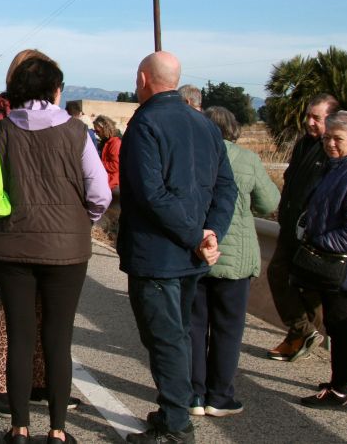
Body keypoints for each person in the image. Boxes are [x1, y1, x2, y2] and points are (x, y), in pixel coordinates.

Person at [0, 54, 110, 444]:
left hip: (11, 247)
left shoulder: (0, 133)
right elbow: (100, 193)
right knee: (58, 338)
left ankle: (19, 428)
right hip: (66, 251)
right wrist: (78, 222)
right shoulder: (76, 132)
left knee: (20, 336)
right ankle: (57, 431)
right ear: (56, 90)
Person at [118, 51, 236, 444]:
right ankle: (172, 409)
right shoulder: (204, 126)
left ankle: (175, 423)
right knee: (179, 334)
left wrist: (195, 236)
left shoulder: (144, 124)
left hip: (157, 256)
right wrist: (210, 232)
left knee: (164, 338)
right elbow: (225, 186)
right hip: (192, 257)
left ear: (142, 78)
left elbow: (150, 194)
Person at [190, 107, 280, 418]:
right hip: (235, 256)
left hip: (197, 252)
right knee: (228, 329)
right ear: (234, 129)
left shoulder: (194, 158)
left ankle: (194, 394)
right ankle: (220, 396)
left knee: (194, 326)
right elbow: (270, 203)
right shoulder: (247, 159)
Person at [296, 111, 347, 412]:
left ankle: (340, 391)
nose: (330, 143)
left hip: (346, 267)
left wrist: (318, 244)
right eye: (328, 137)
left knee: (340, 325)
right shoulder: (339, 167)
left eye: (338, 139)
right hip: (339, 265)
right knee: (341, 325)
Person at [267, 94, 339, 361]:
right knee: (280, 275)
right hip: (291, 227)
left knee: (305, 286)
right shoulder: (303, 145)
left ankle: (301, 333)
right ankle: (302, 332)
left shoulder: (331, 149)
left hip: (313, 233)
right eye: (308, 115)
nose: (309, 122)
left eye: (316, 118)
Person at [92, 116, 120, 192]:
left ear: (105, 129)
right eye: (95, 132)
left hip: (113, 183)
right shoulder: (105, 142)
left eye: (98, 131)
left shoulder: (115, 143)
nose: (96, 134)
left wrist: (98, 164)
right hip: (107, 182)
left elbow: (115, 165)